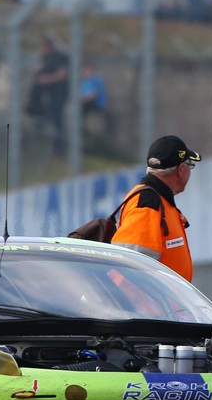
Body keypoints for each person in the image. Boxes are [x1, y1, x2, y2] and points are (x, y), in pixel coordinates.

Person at [111, 135, 199, 280]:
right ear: (181, 170)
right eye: (190, 165)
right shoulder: (148, 202)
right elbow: (128, 270)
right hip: (147, 303)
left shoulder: (159, 200)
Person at [27, 35, 70, 156]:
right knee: (44, 119)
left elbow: (62, 74)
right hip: (45, 95)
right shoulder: (44, 58)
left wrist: (47, 79)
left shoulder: (60, 57)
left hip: (58, 93)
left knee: (56, 120)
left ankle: (59, 148)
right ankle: (46, 146)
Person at [78, 62, 109, 133]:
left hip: (96, 103)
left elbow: (94, 95)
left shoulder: (96, 79)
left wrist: (83, 100)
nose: (84, 72)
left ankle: (83, 130)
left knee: (82, 107)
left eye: (86, 70)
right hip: (87, 102)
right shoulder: (84, 81)